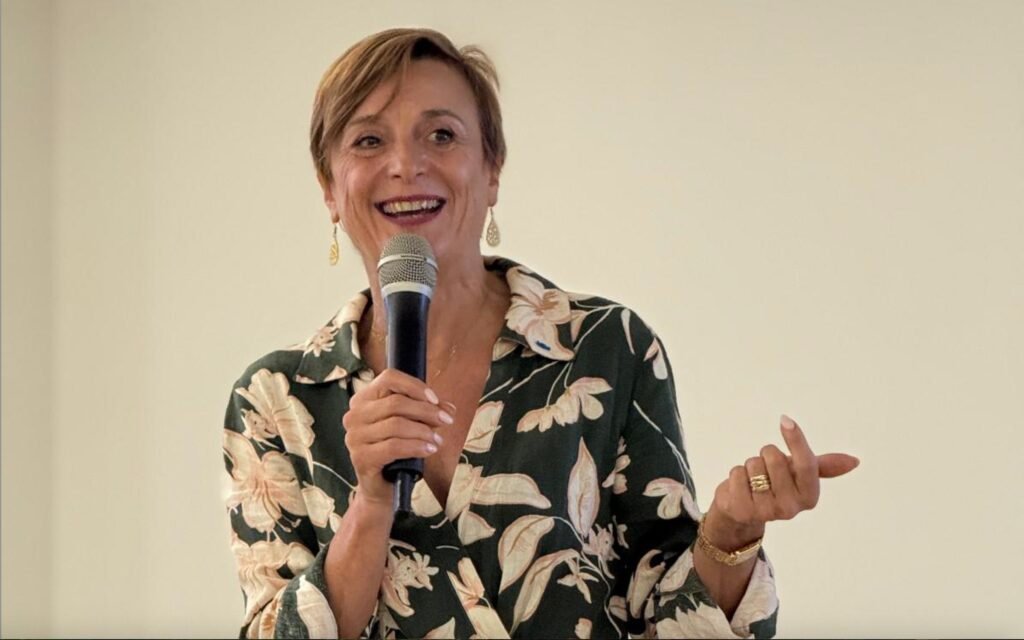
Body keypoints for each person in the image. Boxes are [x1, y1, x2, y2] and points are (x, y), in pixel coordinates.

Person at [222, 27, 859, 639]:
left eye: (441, 134)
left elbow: (670, 618)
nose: (406, 165)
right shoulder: (275, 401)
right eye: (368, 141)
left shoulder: (607, 347)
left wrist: (729, 534)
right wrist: (369, 503)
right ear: (329, 188)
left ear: (492, 170)